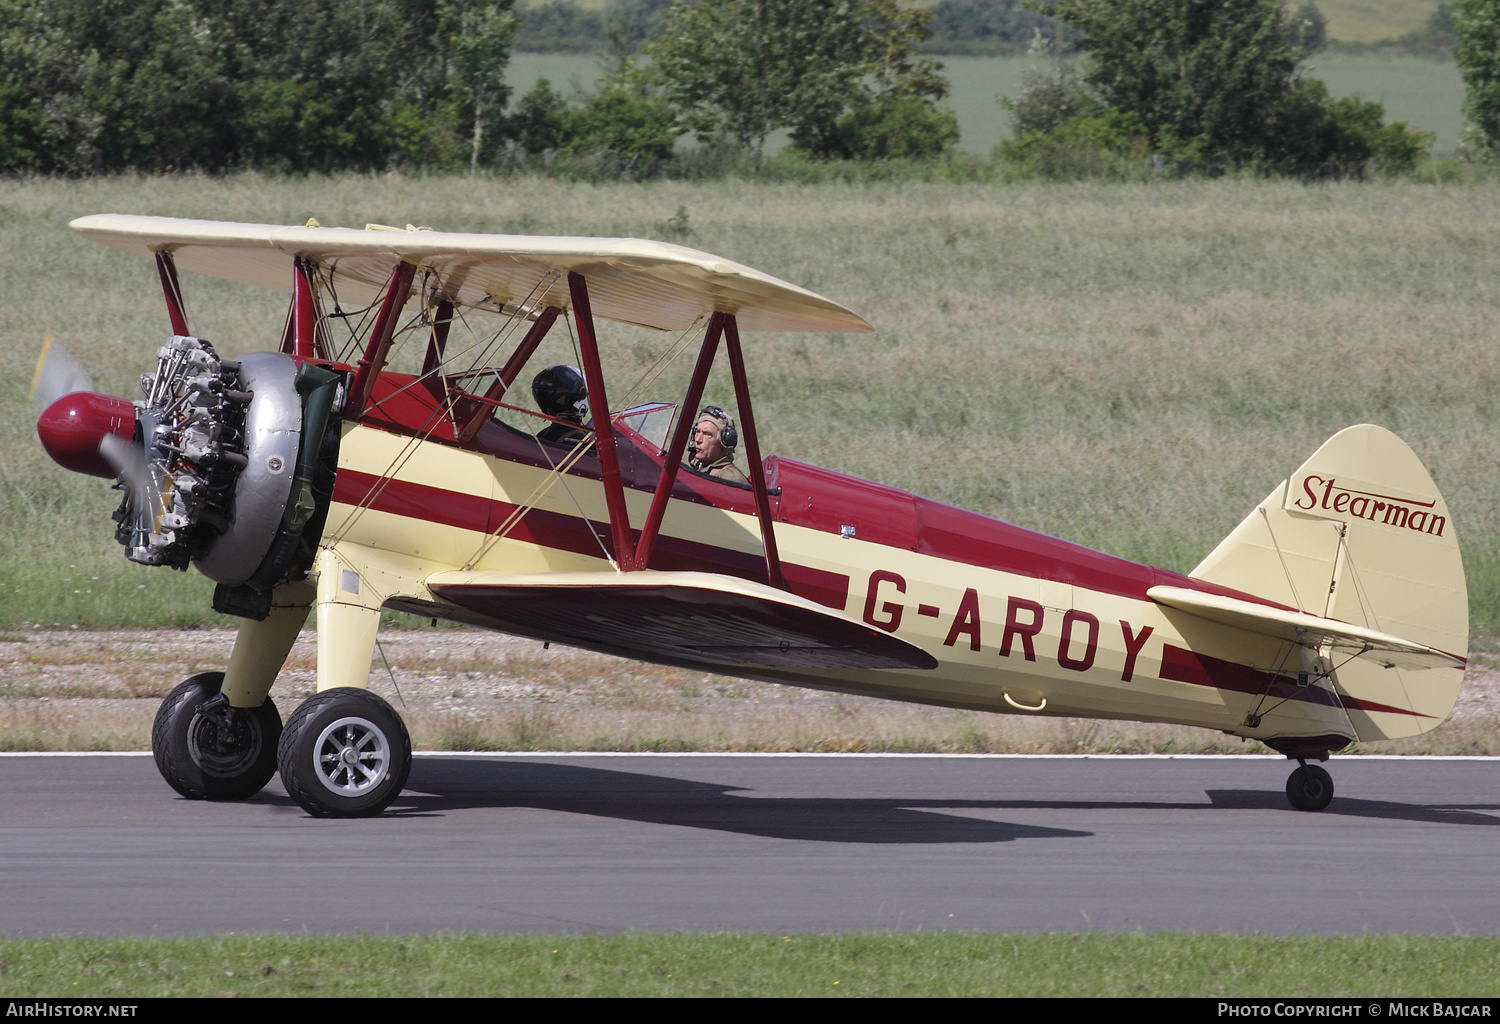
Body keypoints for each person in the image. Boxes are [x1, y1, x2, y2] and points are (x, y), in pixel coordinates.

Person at [530, 365, 589, 446]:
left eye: (559, 401)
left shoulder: (543, 435)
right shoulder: (581, 440)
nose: (549, 408)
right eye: (544, 401)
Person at [688, 405, 748, 483]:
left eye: (707, 434)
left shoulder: (730, 479)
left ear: (724, 441)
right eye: (697, 432)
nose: (698, 440)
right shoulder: (701, 469)